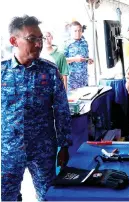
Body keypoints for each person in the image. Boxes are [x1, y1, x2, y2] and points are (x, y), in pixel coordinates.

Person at [1, 15, 71, 201]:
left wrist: (64, 145)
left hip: (43, 149)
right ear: (14, 41)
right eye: (32, 39)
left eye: (40, 39)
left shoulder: (49, 71)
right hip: (8, 150)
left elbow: (62, 110)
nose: (39, 44)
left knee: (48, 196)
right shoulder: (2, 72)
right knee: (6, 196)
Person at [64, 21, 93, 91]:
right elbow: (61, 61)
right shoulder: (66, 44)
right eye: (75, 31)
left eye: (79, 30)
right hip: (72, 82)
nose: (78, 33)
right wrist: (74, 59)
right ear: (71, 31)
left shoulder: (84, 42)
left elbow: (85, 57)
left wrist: (88, 60)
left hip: (84, 80)